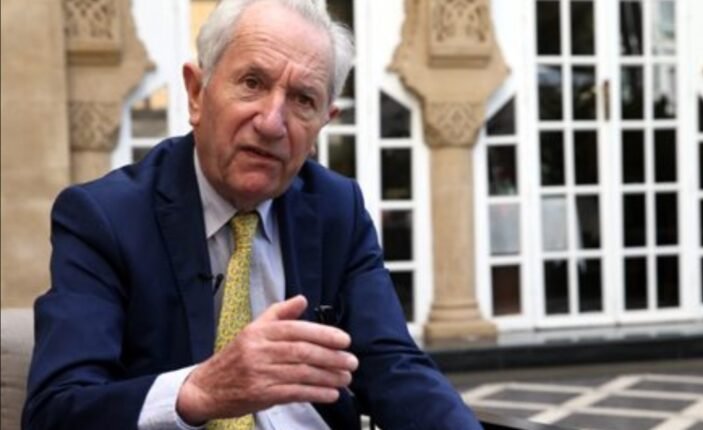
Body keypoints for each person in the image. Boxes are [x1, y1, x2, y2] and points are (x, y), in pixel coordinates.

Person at [22, 0, 483, 429]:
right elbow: (55, 411)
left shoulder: (337, 208)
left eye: (303, 100)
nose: (271, 122)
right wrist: (199, 391)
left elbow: (394, 367)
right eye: (252, 83)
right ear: (197, 92)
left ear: (323, 123)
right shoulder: (104, 218)